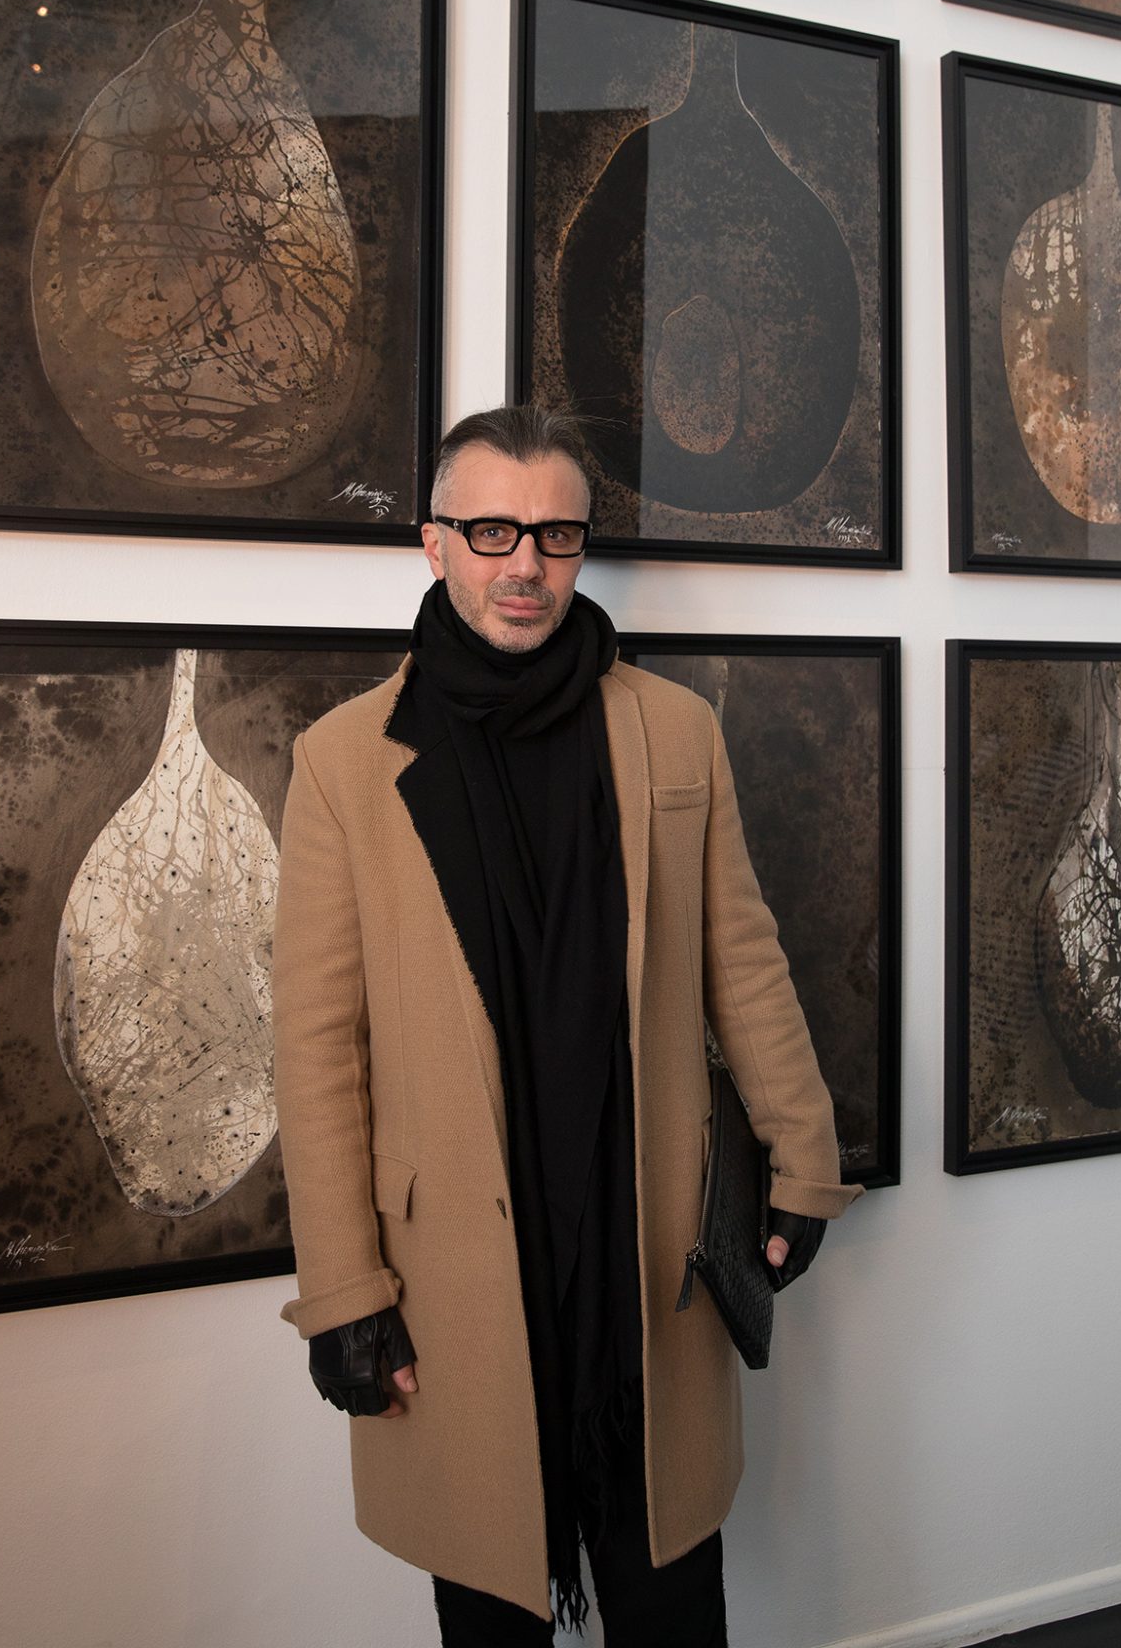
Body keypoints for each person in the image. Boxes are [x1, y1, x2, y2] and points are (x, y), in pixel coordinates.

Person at [272, 404, 862, 1645]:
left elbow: (743, 960)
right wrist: (339, 1291)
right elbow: (318, 1048)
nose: (526, 563)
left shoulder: (674, 730)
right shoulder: (342, 761)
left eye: (556, 533)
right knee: (490, 1596)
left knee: (671, 1597)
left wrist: (804, 1156)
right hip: (450, 1262)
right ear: (435, 541)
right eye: (492, 529)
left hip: (644, 1239)